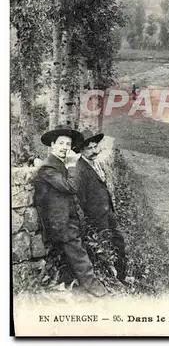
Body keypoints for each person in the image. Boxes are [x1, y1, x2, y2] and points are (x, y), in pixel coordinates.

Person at [34, 125, 107, 297]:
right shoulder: (48, 168)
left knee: (75, 253)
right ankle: (98, 290)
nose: (64, 147)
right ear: (52, 145)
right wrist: (73, 164)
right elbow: (71, 187)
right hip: (60, 221)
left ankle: (72, 282)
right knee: (79, 254)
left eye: (68, 144)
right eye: (61, 143)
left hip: (70, 218)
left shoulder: (61, 164)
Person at [75, 130, 128, 284]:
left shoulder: (95, 164)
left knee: (119, 243)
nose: (94, 151)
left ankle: (121, 277)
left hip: (107, 214)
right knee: (103, 251)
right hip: (96, 219)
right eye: (89, 148)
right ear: (81, 150)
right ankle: (109, 281)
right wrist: (86, 225)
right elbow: (80, 200)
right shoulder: (80, 170)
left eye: (95, 146)